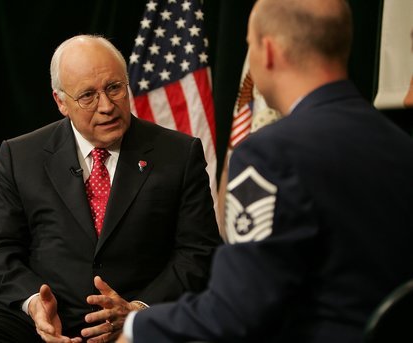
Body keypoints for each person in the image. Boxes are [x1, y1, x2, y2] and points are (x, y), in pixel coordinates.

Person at [117, 0, 413, 342]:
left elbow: (235, 313)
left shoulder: (268, 154)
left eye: (250, 45)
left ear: (268, 50)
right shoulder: (401, 145)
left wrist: (136, 327)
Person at [0, 35, 221, 343]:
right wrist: (34, 303)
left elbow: (199, 251)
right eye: (88, 96)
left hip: (138, 324)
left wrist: (138, 310)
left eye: (114, 88)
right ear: (61, 102)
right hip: (45, 323)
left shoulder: (178, 154)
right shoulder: (22, 155)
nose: (106, 106)